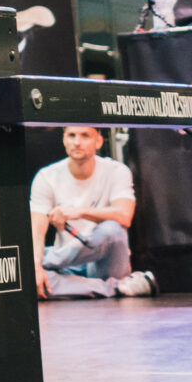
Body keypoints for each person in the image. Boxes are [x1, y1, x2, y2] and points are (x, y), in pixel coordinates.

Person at [28, 126, 153, 299]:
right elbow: (37, 232)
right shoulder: (46, 176)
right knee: (30, 277)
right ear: (64, 139)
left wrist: (78, 212)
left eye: (85, 136)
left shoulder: (116, 171)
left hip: (105, 264)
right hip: (67, 266)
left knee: (111, 230)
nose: (77, 142)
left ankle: (52, 264)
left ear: (99, 141)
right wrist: (35, 265)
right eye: (71, 135)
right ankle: (116, 288)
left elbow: (124, 216)